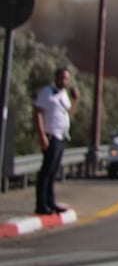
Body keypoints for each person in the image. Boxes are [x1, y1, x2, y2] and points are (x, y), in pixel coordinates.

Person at [34, 66, 80, 215]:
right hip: (51, 135)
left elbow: (70, 114)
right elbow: (38, 113)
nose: (64, 81)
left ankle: (51, 201)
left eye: (66, 78)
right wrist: (42, 135)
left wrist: (75, 100)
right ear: (56, 78)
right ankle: (41, 204)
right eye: (61, 78)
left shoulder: (64, 94)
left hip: (62, 136)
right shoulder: (47, 92)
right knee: (46, 170)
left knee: (53, 171)